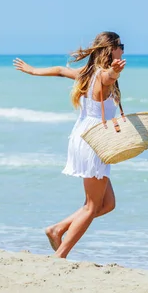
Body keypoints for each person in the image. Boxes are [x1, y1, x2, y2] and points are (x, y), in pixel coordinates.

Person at [13, 31, 126, 259]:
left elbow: (60, 70)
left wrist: (34, 71)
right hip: (95, 140)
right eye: (120, 45)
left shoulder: (86, 74)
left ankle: (59, 229)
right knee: (92, 206)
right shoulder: (103, 75)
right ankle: (60, 253)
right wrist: (115, 71)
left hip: (84, 137)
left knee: (107, 203)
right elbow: (109, 77)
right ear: (111, 49)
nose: (123, 49)